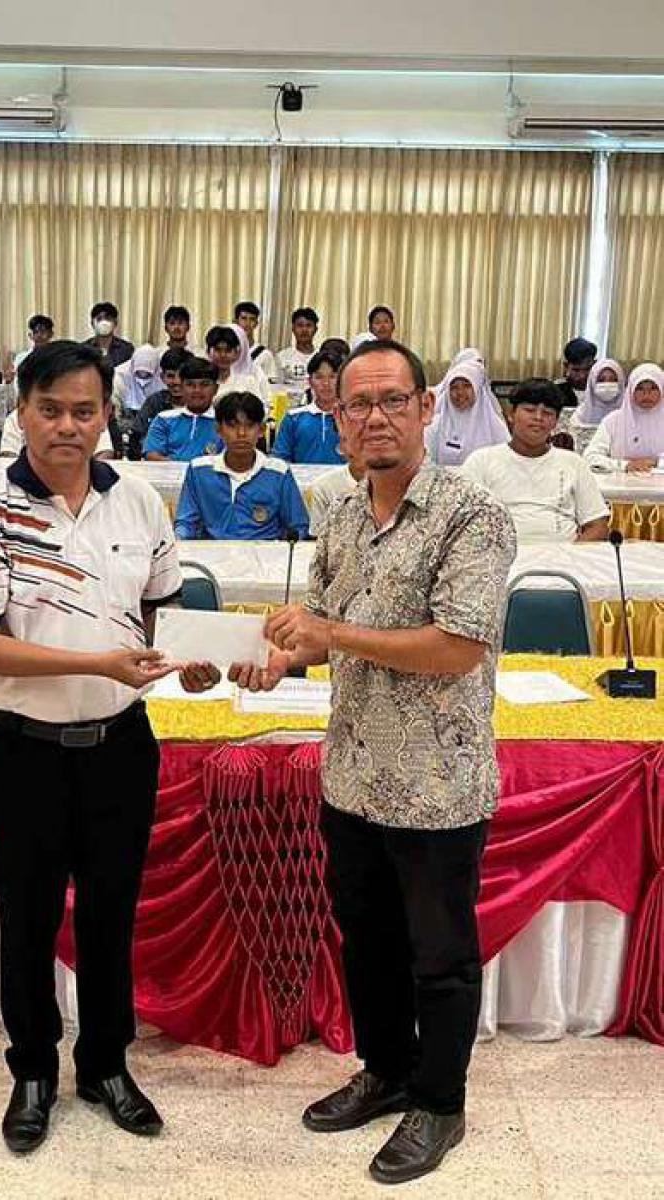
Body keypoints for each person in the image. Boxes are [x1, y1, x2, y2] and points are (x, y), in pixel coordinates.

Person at [227, 338, 517, 1186]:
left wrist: (328, 633)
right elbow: (323, 628)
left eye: (394, 400)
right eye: (359, 404)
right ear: (338, 420)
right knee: (367, 942)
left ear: (427, 409)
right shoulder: (342, 513)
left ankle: (440, 1101)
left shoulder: (473, 515)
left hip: (435, 782)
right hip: (352, 774)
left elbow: (457, 647)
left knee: (441, 954)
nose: (377, 417)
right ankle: (386, 1070)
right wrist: (277, 657)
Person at [0, 339, 216, 1152]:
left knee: (109, 914)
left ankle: (104, 1065)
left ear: (106, 417)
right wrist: (100, 662)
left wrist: (193, 661)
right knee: (28, 917)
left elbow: (164, 618)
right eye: (51, 410)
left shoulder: (139, 503)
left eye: (84, 411)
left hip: (121, 747)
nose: (67, 426)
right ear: (22, 413)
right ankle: (31, 1070)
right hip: (24, 750)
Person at [462, 378, 609, 542]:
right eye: (530, 410)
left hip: (563, 554)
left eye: (547, 413)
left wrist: (571, 553)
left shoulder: (574, 463)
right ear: (511, 414)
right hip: (499, 554)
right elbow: (461, 523)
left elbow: (598, 526)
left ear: (556, 422)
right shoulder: (481, 461)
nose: (538, 417)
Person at [174, 392, 310, 540]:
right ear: (218, 429)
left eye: (250, 426)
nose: (241, 433)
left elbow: (298, 527)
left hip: (267, 551)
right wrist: (179, 539)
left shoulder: (279, 472)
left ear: (261, 430)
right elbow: (186, 523)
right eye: (232, 426)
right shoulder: (198, 470)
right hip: (211, 551)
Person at [425, 359, 509, 467]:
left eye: (466, 386)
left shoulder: (494, 426)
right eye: (454, 387)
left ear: (477, 389)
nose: (460, 392)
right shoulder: (436, 424)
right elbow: (425, 459)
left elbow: (505, 462)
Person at [584, 362, 664, 474]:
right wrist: (625, 465)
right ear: (631, 390)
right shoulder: (613, 421)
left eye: (653, 388)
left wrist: (655, 463)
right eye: (640, 389)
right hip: (619, 483)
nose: (647, 394)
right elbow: (590, 457)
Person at [272, 350, 344, 464]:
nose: (326, 383)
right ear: (310, 381)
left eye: (332, 377)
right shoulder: (293, 418)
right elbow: (279, 460)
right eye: (319, 377)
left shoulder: (352, 417)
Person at [144, 358, 221, 462]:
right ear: (181, 387)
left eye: (204, 384)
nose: (197, 390)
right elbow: (152, 455)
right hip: (170, 472)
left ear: (215, 389)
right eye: (190, 385)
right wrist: (181, 468)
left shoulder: (225, 421)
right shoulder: (163, 419)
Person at [569, 358, 626, 455]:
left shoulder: (629, 416)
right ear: (592, 383)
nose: (607, 384)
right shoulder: (580, 416)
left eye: (613, 380)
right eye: (601, 380)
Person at [132, 348, 190, 441]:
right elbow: (138, 435)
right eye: (170, 376)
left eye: (183, 376)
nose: (177, 382)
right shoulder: (154, 402)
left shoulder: (201, 403)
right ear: (162, 377)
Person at [112, 345, 164, 445]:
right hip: (126, 420)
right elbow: (116, 410)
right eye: (138, 374)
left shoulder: (162, 376)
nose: (143, 379)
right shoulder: (120, 376)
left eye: (148, 375)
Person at [205, 326, 266, 402]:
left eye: (228, 350)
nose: (223, 355)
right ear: (208, 352)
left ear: (237, 353)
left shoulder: (248, 383)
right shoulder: (201, 385)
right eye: (218, 350)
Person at [277, 307, 319, 405]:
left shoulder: (321, 357)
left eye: (309, 325)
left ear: (315, 329)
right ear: (293, 328)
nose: (304, 330)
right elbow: (277, 388)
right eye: (300, 325)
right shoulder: (282, 357)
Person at [233, 301, 277, 383]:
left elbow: (271, 384)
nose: (247, 323)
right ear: (235, 321)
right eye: (244, 318)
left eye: (252, 319)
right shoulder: (226, 352)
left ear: (256, 324)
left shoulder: (265, 354)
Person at [84, 302, 134, 368]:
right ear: (92, 324)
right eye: (99, 319)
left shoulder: (126, 349)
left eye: (108, 318)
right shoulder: (84, 349)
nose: (103, 323)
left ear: (115, 323)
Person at [555, 337, 597, 410]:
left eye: (587, 369)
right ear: (566, 366)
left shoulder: (601, 389)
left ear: (594, 364)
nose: (582, 376)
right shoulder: (555, 390)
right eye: (576, 370)